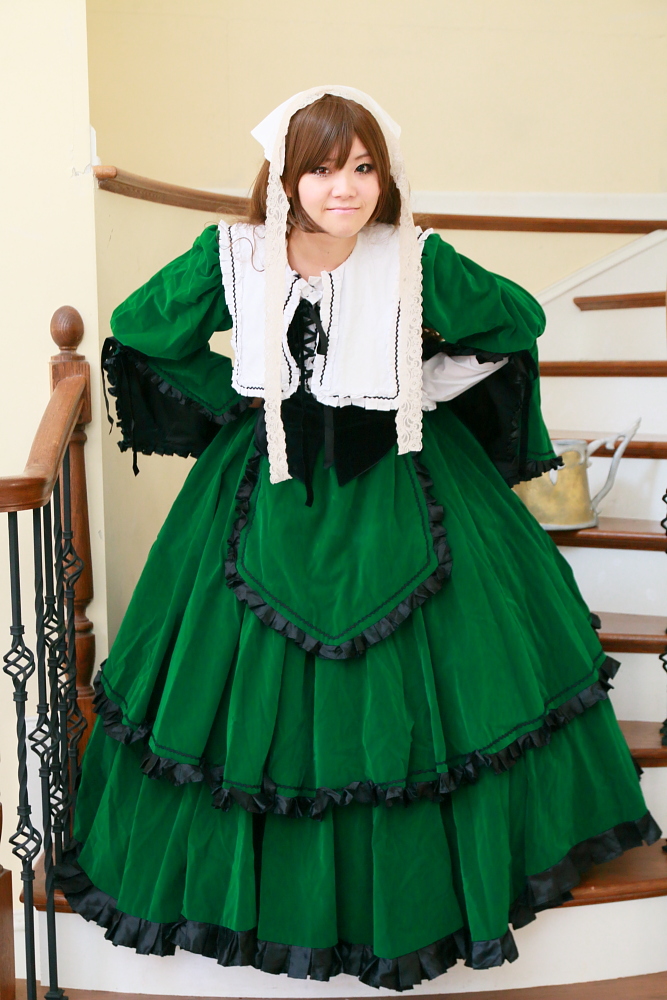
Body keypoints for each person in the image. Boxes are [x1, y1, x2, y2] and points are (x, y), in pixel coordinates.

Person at [56, 86, 659, 992]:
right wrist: (240, 394)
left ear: (386, 174)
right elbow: (141, 329)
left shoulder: (416, 256)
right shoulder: (232, 253)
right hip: (264, 488)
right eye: (324, 168)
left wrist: (422, 381)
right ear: (285, 176)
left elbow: (515, 322)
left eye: (364, 167)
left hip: (406, 479)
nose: (346, 187)